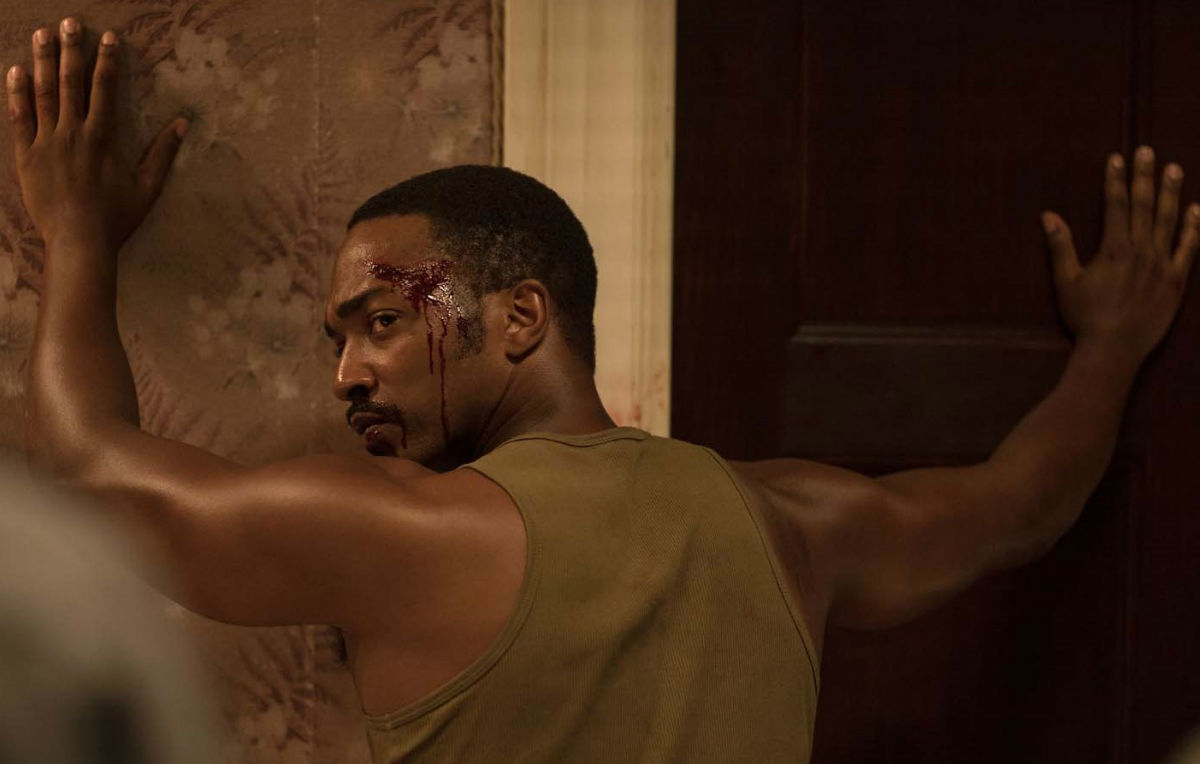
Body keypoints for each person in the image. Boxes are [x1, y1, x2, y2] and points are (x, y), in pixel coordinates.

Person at [7, 17, 1198, 764]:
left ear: (522, 317)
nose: (346, 371)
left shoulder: (404, 532)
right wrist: (1111, 346)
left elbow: (88, 475)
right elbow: (1022, 503)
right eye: (339, 337)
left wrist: (78, 232)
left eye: (382, 320)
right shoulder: (796, 521)